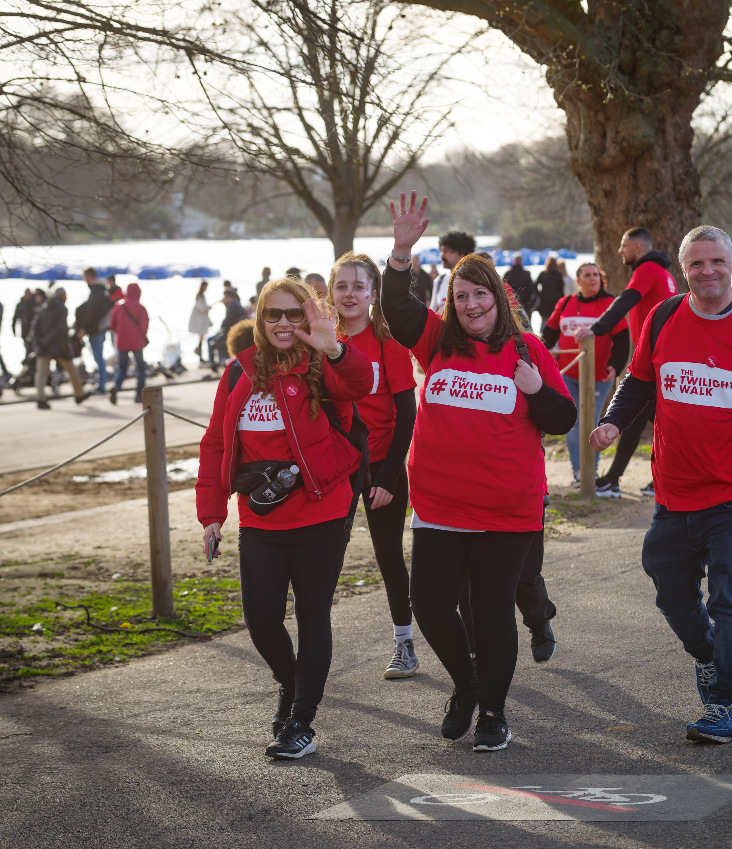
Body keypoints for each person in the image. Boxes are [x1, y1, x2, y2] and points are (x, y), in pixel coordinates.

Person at [590, 224, 732, 744]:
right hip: (673, 488)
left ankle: (727, 704)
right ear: (683, 270)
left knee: (728, 594)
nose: (707, 272)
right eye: (696, 264)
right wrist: (613, 422)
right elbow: (639, 381)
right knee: (667, 586)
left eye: (716, 262)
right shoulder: (665, 316)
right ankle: (709, 654)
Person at [381, 191, 576, 752]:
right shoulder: (437, 343)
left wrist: (536, 391)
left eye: (479, 294)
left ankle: (493, 710)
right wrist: (400, 251)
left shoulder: (527, 350)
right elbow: (396, 305)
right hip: (440, 508)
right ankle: (466, 685)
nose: (470, 304)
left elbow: (561, 417)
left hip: (505, 511)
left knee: (491, 612)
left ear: (498, 296)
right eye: (461, 295)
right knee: (432, 605)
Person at [197, 280, 374, 760]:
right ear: (260, 318)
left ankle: (301, 721)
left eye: (293, 314)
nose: (282, 324)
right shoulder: (239, 371)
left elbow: (363, 384)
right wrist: (212, 514)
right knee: (261, 619)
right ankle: (291, 681)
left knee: (312, 613)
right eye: (273, 314)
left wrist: (331, 346)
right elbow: (215, 443)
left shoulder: (324, 363)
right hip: (261, 516)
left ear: (307, 317)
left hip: (321, 508)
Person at [328, 252, 420, 678]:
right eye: (341, 286)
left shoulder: (389, 345)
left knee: (387, 554)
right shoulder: (323, 343)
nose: (349, 294)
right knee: (325, 556)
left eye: (358, 286)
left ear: (373, 293)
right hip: (336, 466)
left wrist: (387, 475)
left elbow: (407, 414)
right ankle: (315, 650)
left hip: (382, 463)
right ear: (330, 292)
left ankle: (405, 643)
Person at [574, 226, 678, 499]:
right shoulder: (666, 274)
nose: (620, 251)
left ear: (638, 248)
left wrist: (595, 329)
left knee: (644, 421)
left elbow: (625, 300)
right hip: (662, 358)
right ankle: (625, 479)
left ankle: (620, 480)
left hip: (656, 361)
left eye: (624, 245)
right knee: (652, 422)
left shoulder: (648, 270)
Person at [542, 262, 630, 484]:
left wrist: (615, 366)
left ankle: (591, 471)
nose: (593, 279)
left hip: (599, 376)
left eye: (596, 275)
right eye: (587, 275)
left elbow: (622, 340)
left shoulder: (610, 304)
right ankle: (579, 472)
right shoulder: (566, 302)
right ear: (578, 281)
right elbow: (549, 333)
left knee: (591, 422)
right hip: (568, 373)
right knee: (573, 421)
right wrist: (543, 358)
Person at [30, 287, 87, 409]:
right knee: (71, 370)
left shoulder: (44, 306)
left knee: (41, 373)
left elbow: (35, 325)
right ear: (62, 296)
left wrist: (40, 342)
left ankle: (40, 398)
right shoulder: (61, 308)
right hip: (59, 347)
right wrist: (47, 341)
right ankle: (79, 394)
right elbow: (60, 329)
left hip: (44, 347)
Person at [108, 282, 149, 404]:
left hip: (122, 341)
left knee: (122, 368)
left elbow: (112, 324)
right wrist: (142, 337)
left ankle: (116, 386)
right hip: (136, 342)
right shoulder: (140, 308)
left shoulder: (119, 305)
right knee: (141, 369)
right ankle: (138, 394)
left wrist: (120, 334)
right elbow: (144, 326)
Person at [73, 268, 113, 394]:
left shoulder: (96, 292)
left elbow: (92, 313)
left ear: (89, 276)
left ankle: (102, 386)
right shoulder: (101, 291)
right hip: (100, 328)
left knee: (98, 358)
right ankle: (102, 383)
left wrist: (84, 328)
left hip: (96, 330)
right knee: (99, 357)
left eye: (84, 276)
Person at [431, 230, 476, 313]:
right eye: (441, 251)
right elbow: (432, 312)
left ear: (461, 254)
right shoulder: (439, 281)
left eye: (446, 251)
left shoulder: (475, 279)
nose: (442, 255)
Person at [503, 254, 537, 328]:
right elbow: (531, 289)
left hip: (511, 305)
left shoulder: (508, 274)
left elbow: (503, 290)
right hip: (525, 304)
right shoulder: (526, 274)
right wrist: (530, 304)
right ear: (521, 261)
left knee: (513, 327)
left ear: (513, 262)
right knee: (526, 326)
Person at [534, 257, 565, 333]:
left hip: (545, 299)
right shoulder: (558, 275)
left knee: (544, 320)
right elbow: (562, 287)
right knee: (555, 319)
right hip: (555, 299)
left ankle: (542, 337)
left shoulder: (543, 274)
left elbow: (535, 285)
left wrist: (539, 294)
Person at [189, 280, 213, 361]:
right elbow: (202, 308)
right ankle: (199, 354)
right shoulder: (200, 296)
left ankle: (199, 354)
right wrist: (209, 307)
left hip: (201, 320)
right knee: (201, 338)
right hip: (199, 321)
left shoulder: (201, 296)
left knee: (201, 338)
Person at [12, 288, 36, 355]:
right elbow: (15, 318)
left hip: (34, 330)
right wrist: (14, 330)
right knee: (27, 346)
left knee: (32, 347)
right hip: (25, 330)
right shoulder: (21, 305)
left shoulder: (34, 303)